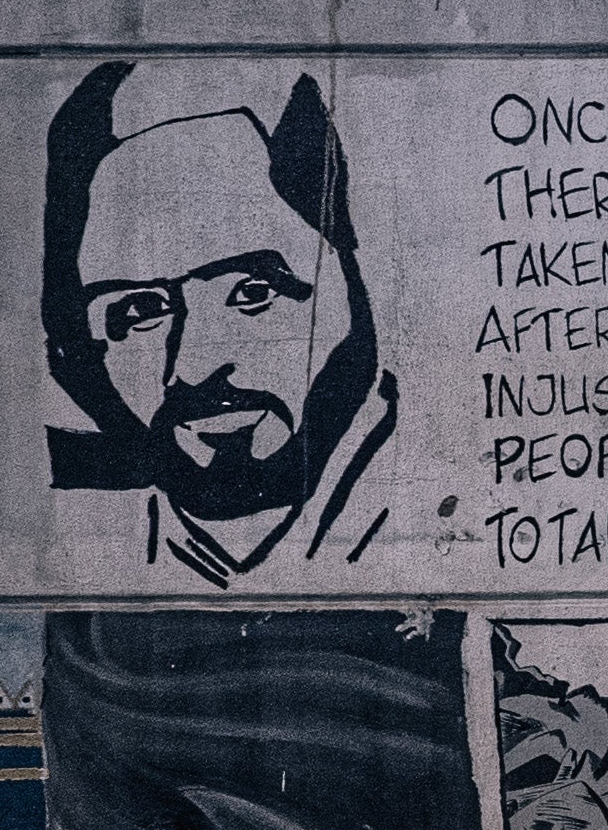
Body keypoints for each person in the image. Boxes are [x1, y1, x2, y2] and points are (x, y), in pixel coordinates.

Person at [42, 61, 398, 586]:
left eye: (255, 293)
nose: (191, 367)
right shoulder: (90, 533)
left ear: (351, 286)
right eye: (143, 311)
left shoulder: (425, 508)